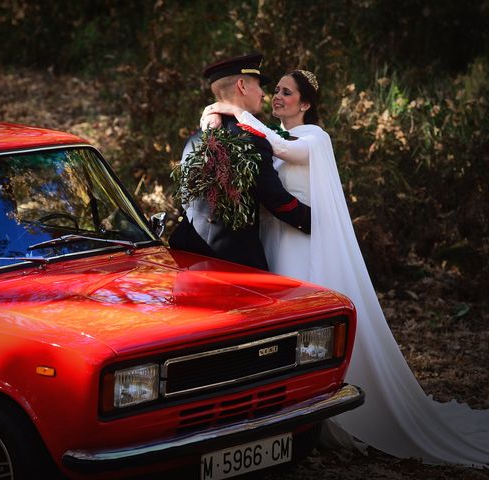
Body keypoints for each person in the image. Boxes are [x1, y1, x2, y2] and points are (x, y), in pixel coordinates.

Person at [200, 70, 489, 466]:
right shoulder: (269, 135)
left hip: (304, 247)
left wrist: (224, 109)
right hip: (275, 246)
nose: (278, 97)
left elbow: (279, 147)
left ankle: (333, 409)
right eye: (277, 91)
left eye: (287, 93)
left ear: (305, 105)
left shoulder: (314, 139)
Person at [169, 53, 311, 271]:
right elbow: (275, 198)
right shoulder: (251, 138)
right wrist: (312, 221)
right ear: (242, 85)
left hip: (188, 251)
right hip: (233, 260)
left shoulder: (196, 136)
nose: (263, 94)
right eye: (258, 85)